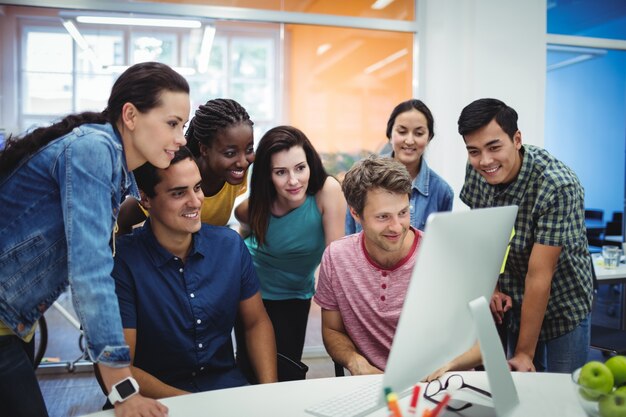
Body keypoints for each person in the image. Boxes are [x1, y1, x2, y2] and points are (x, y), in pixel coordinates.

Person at [0, 61, 190, 417]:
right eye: (172, 123)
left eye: (183, 125)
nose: (181, 138)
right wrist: (122, 388)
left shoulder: (112, 163)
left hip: (13, 325)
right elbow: (90, 272)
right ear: (130, 115)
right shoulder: (94, 149)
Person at [111, 147, 277, 400]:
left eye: (197, 188)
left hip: (227, 391)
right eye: (179, 193)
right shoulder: (122, 262)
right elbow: (121, 368)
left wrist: (269, 392)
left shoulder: (230, 247)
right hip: (153, 401)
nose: (196, 201)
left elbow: (256, 322)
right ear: (145, 199)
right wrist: (195, 406)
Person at [458, 98, 593, 373]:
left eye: (494, 147)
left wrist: (523, 353)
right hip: (514, 303)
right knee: (519, 400)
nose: (485, 161)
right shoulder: (477, 173)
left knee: (560, 402)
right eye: (474, 151)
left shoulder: (557, 184)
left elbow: (540, 274)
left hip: (561, 305)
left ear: (516, 139)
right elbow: (482, 237)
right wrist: (492, 286)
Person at [235, 125, 346, 374]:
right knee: (251, 372)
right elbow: (241, 239)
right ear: (267, 175)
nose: (294, 180)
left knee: (288, 370)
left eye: (300, 168)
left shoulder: (326, 191)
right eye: (281, 172)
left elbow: (334, 258)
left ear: (310, 164)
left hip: (296, 293)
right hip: (250, 292)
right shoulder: (252, 208)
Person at [315, 155, 423, 375]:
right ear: (356, 214)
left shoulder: (436, 253)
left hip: (433, 383)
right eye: (383, 217)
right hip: (373, 386)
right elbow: (332, 329)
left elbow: (472, 336)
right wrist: (355, 361)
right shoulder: (336, 258)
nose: (396, 227)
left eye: (403, 213)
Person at [116, 98, 254, 234]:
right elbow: (122, 218)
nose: (243, 162)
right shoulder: (173, 173)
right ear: (204, 149)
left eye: (249, 149)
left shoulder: (235, 172)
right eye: (230, 153)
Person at [345, 99, 453, 234]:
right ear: (390, 134)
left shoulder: (442, 191)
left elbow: (438, 245)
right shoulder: (362, 178)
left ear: (429, 137)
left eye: (419, 133)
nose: (409, 140)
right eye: (402, 132)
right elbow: (349, 237)